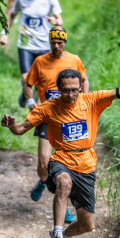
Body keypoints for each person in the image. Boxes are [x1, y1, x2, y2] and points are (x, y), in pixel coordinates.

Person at [0, 69, 120, 238]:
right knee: (64, 182)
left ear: (80, 88)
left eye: (75, 90)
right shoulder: (47, 108)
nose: (71, 95)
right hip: (61, 159)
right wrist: (11, 125)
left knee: (87, 225)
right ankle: (57, 236)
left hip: (86, 164)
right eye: (66, 90)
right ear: (58, 89)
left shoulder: (91, 100)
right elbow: (21, 129)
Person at [25, 26, 89, 223]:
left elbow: (84, 80)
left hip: (69, 119)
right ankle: (44, 181)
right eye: (53, 42)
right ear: (49, 42)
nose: (56, 46)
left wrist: (83, 101)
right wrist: (31, 103)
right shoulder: (40, 61)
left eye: (60, 42)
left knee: (68, 168)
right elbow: (28, 85)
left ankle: (65, 208)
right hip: (47, 116)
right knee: (43, 163)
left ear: (65, 43)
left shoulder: (74, 60)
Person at [0, 0, 63, 107]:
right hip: (25, 44)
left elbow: (59, 19)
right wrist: (4, 33)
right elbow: (12, 16)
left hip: (44, 45)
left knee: (42, 80)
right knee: (26, 79)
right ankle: (28, 98)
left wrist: (56, 22)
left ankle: (34, 100)